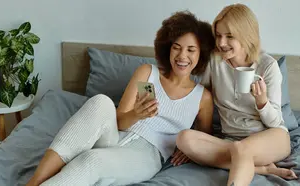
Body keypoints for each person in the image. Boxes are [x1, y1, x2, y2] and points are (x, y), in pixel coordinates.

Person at [25, 11, 215, 186]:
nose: (182, 56)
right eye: (177, 47)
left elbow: (204, 141)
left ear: (201, 54)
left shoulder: (202, 98)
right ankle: (34, 181)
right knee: (101, 101)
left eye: (191, 50)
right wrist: (136, 114)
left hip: (147, 156)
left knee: (92, 160)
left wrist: (188, 152)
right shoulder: (148, 74)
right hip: (116, 136)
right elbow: (120, 122)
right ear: (168, 48)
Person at [175, 4, 298, 186]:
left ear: (246, 36)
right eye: (218, 35)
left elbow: (275, 121)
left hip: (271, 137)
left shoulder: (267, 66)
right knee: (184, 138)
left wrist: (262, 102)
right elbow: (200, 99)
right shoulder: (214, 62)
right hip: (231, 140)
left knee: (241, 149)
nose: (221, 43)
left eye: (229, 36)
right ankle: (262, 168)